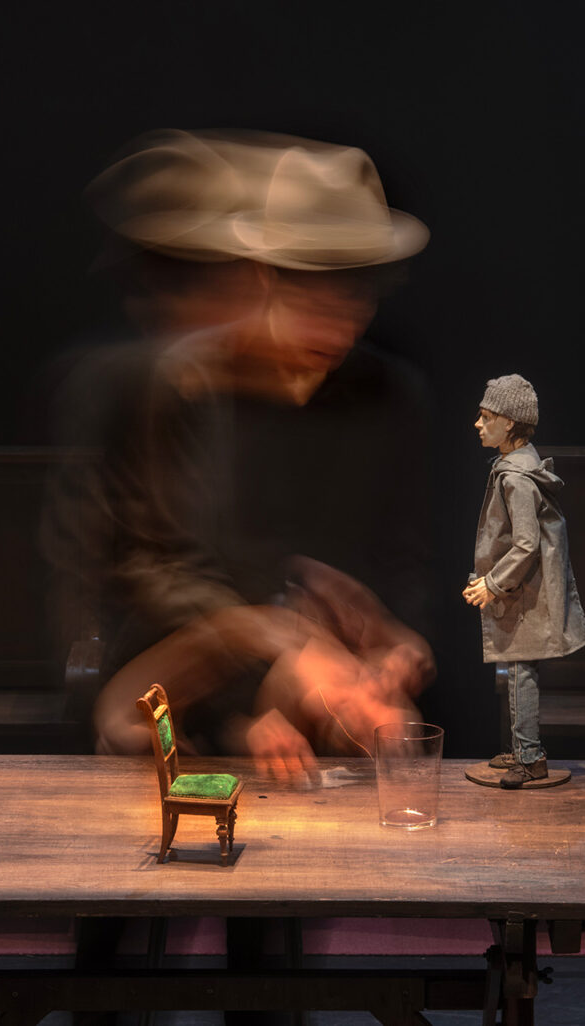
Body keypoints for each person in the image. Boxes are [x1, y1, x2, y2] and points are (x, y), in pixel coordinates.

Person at [43, 129, 438, 784]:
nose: (337, 328)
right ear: (266, 281)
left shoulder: (390, 396)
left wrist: (396, 650)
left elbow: (404, 565)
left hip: (335, 728)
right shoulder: (171, 389)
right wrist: (266, 664)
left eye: (356, 302)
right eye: (313, 298)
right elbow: (149, 572)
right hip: (181, 713)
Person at [463, 374, 585, 788]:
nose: (478, 425)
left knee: (520, 673)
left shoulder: (516, 479)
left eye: (487, 417)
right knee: (516, 670)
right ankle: (521, 750)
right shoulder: (516, 469)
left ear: (510, 424)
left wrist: (492, 584)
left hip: (522, 597)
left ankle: (531, 757)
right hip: (521, 595)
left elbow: (524, 545)